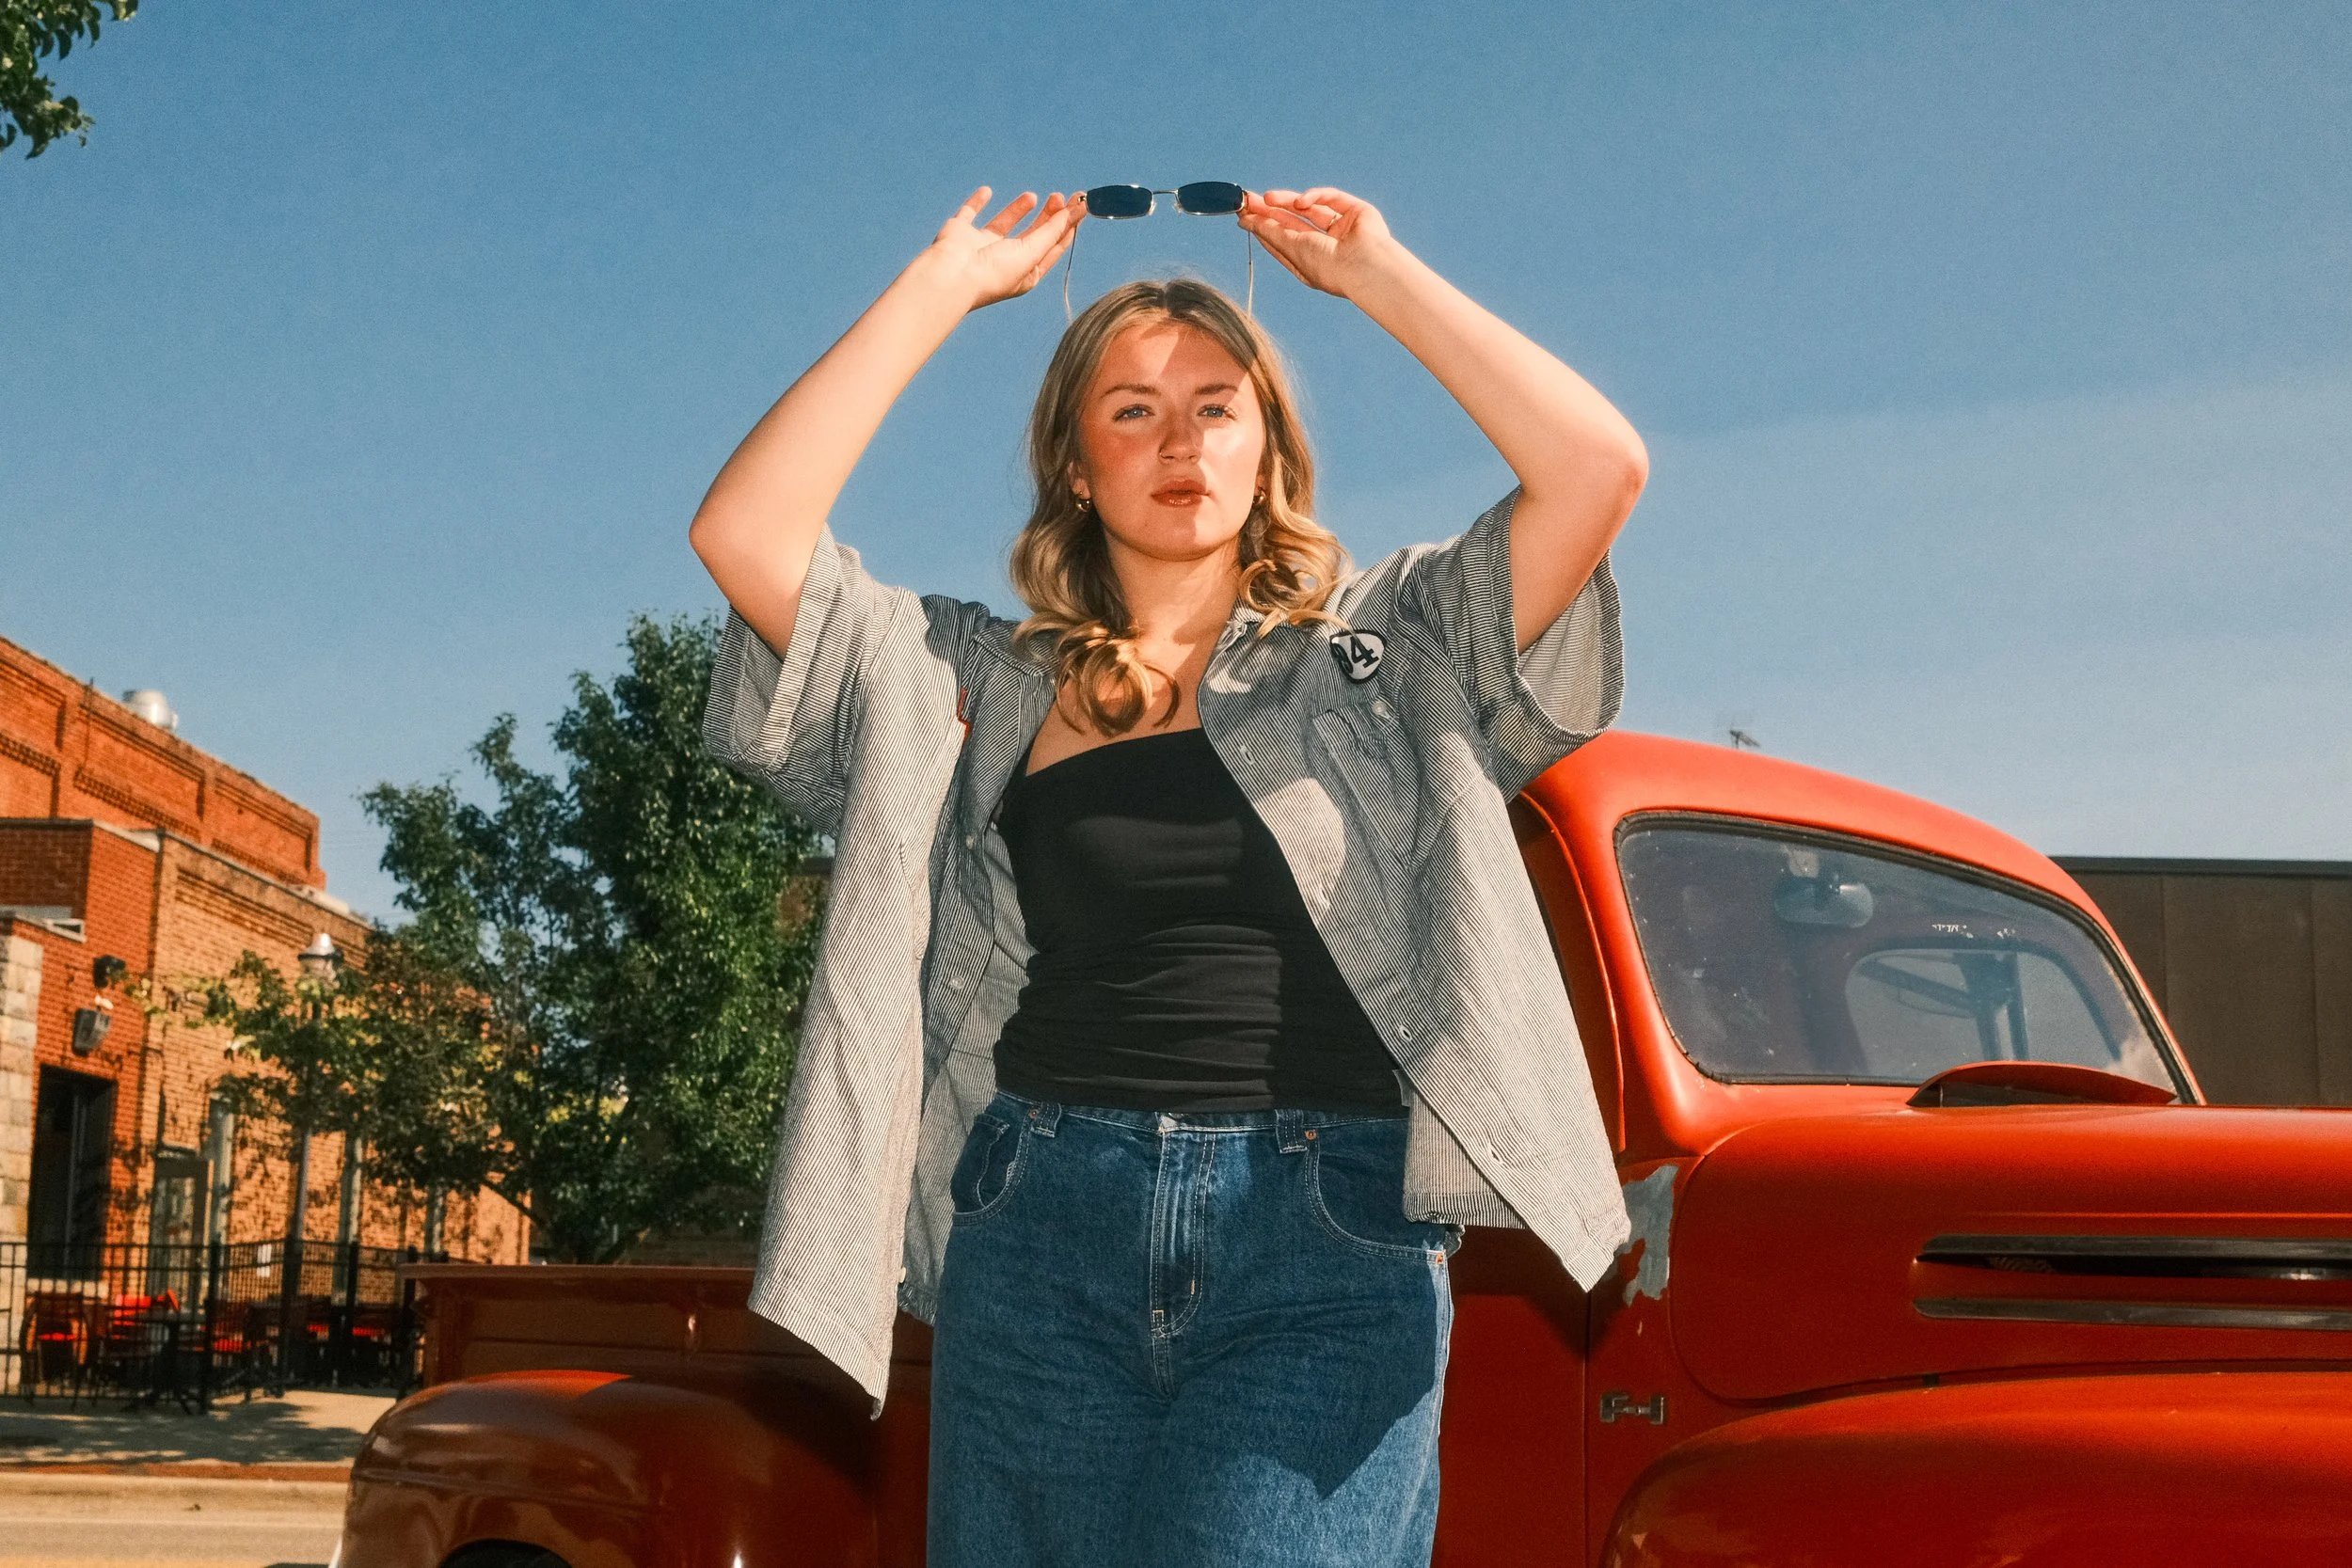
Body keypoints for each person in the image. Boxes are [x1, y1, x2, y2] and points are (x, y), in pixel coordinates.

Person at [692, 182, 1647, 1568]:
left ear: (1268, 451)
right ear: (1076, 467)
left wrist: (1374, 273)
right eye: (1131, 408)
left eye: (1216, 402)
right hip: (1040, 1226)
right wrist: (944, 285)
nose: (1179, 435)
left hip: (1325, 1242)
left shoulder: (1386, 656)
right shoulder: (983, 682)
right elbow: (747, 537)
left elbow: (1597, 469)